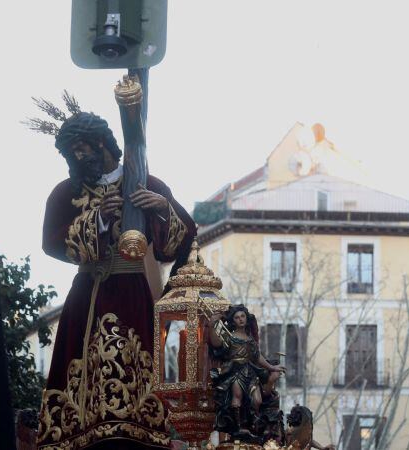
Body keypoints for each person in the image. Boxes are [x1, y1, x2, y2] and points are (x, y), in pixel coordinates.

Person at [37, 111, 196, 450]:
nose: (76, 158)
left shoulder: (147, 184)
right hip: (88, 295)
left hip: (133, 295)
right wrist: (98, 219)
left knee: (137, 373)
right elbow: (50, 242)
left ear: (100, 143)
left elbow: (184, 239)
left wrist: (162, 208)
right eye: (71, 153)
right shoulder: (66, 192)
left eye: (80, 149)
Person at [208, 304, 286, 439]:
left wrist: (272, 368)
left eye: (242, 316)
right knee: (236, 397)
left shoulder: (250, 339)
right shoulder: (230, 336)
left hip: (250, 372)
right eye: (237, 317)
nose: (240, 319)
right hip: (235, 372)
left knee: (257, 400)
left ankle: (252, 425)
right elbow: (216, 343)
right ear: (233, 321)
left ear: (246, 318)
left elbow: (258, 357)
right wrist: (211, 326)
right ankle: (239, 427)